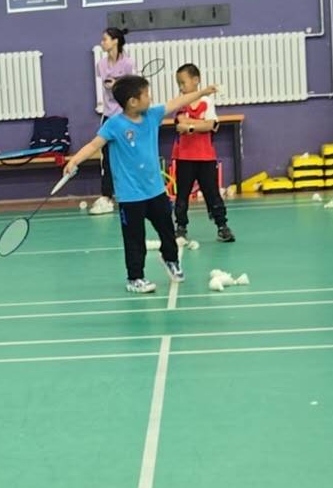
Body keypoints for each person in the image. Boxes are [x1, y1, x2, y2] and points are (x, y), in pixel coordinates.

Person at [64, 75, 218, 294]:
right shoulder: (114, 125)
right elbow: (93, 145)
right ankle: (135, 278)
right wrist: (74, 161)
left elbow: (178, 102)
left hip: (155, 190)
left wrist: (201, 92)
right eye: (146, 94)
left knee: (167, 231)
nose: (150, 97)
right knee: (134, 239)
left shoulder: (152, 115)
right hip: (130, 195)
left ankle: (170, 259)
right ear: (132, 102)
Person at [169, 64, 233, 243]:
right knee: (182, 195)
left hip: (205, 156)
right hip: (184, 157)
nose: (181, 87)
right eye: (178, 84)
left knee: (212, 193)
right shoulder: (181, 102)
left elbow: (211, 125)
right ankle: (181, 227)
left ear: (196, 80)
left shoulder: (207, 102)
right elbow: (181, 123)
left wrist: (191, 126)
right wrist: (200, 124)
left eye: (183, 82)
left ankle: (222, 226)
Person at [89, 27, 136, 215]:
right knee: (107, 158)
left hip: (125, 116)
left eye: (105, 39)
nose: (102, 42)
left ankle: (133, 193)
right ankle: (106, 197)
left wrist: (117, 84)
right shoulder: (100, 64)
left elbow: (133, 89)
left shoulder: (128, 63)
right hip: (109, 116)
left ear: (115, 41)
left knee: (128, 156)